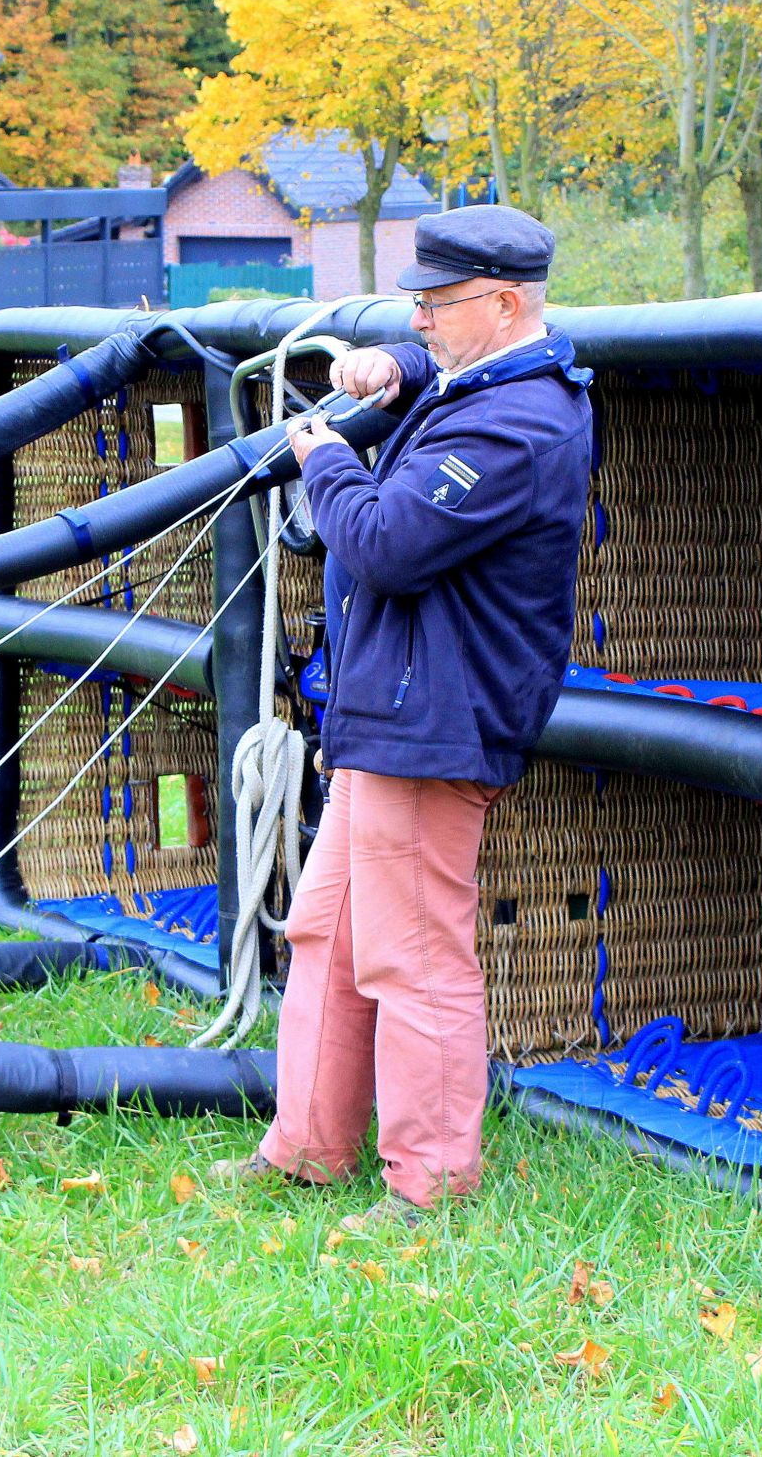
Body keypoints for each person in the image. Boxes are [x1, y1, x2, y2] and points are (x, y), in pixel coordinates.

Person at [214, 203, 594, 1228]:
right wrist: (392, 362)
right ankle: (304, 1146)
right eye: (413, 302)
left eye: (436, 303)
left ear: (506, 301)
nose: (419, 316)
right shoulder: (489, 376)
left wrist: (321, 453)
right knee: (326, 932)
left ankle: (428, 1186)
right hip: (393, 711)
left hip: (436, 720)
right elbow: (447, 374)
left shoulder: (520, 423)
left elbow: (382, 539)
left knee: (414, 957)